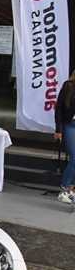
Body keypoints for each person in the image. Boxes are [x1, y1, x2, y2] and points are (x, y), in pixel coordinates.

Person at [55, 70, 75, 203]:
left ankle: (71, 189)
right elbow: (59, 109)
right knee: (74, 157)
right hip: (70, 125)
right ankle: (65, 186)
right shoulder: (68, 86)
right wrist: (58, 130)